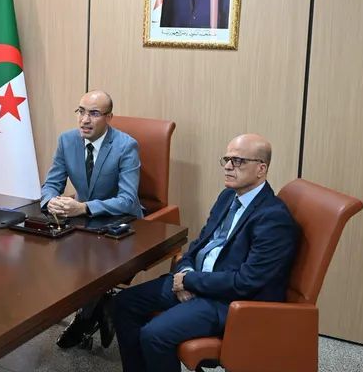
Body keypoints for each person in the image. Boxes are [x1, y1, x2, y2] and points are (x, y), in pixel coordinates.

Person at [113, 134, 298, 372]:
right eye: (227, 159)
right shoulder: (228, 196)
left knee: (154, 334)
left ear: (261, 169)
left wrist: (190, 281)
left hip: (228, 301)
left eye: (238, 161)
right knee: (123, 303)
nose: (228, 166)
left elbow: (246, 281)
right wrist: (185, 272)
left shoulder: (273, 218)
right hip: (198, 280)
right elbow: (200, 244)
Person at [41, 90, 142, 348]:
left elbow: (127, 200)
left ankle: (85, 318)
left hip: (122, 224)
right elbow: (51, 184)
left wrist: (84, 208)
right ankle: (100, 307)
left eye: (94, 114)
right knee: (52, 256)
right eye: (81, 112)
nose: (85, 120)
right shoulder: (67, 141)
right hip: (83, 222)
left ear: (109, 117)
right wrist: (50, 200)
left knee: (95, 264)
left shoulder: (126, 146)